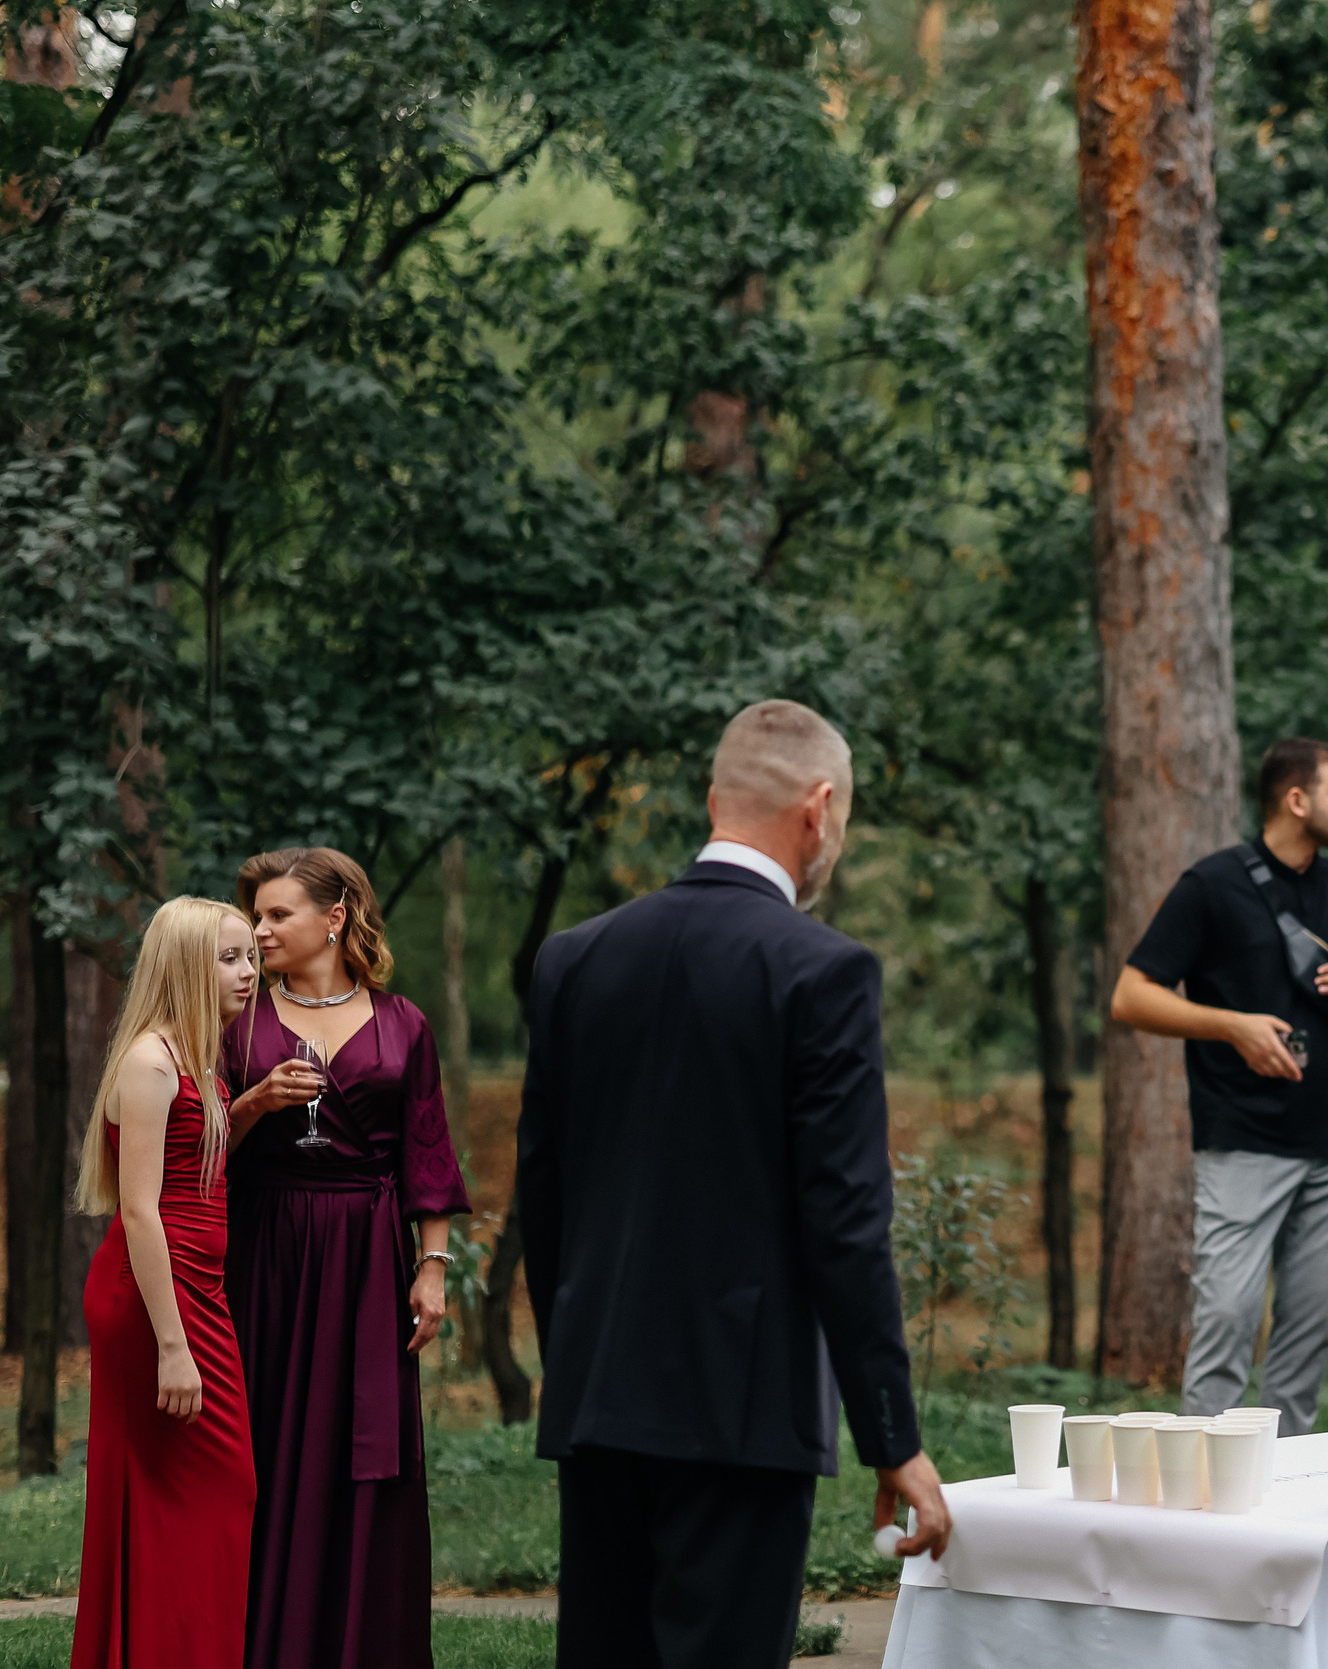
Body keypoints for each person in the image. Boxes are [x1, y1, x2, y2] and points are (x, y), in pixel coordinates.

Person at [519, 699, 948, 1669]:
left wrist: (577, 1357)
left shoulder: (573, 958)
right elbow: (845, 1221)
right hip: (742, 1415)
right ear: (820, 808)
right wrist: (892, 1438)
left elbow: (544, 1195)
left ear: (716, 800)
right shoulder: (822, 971)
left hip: (597, 1400)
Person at [1111, 737, 1328, 1437]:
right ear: (1296, 800)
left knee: (1309, 1334)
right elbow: (1130, 996)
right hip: (1243, 1143)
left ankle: (1286, 1481)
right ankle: (1204, 1480)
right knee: (1226, 1318)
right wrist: (1232, 1026)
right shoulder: (1211, 886)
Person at [220, 847, 473, 1669]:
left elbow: (428, 1149)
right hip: (269, 1248)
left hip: (369, 1254)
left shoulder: (404, 1023)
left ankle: (363, 1644)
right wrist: (255, 1101)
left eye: (277, 914)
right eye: (256, 915)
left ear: (334, 918)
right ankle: (268, 1640)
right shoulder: (236, 1021)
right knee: (270, 1436)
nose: (260, 930)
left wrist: (432, 1267)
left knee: (367, 1445)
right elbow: (198, 1144)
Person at [71, 899, 263, 1669]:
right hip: (158, 1300)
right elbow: (141, 1209)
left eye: (251, 956)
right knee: (209, 1488)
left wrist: (248, 1106)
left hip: (197, 1290)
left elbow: (197, 1164)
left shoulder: (196, 1056)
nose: (249, 972)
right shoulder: (151, 1062)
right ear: (185, 964)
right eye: (230, 957)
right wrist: (174, 1347)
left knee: (206, 1496)